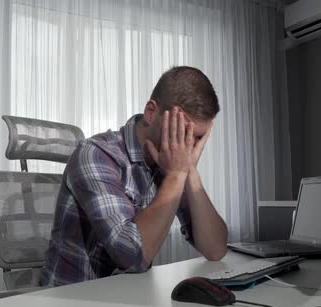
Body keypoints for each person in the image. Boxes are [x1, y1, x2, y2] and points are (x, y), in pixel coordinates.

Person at [41, 66, 228, 286]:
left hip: (127, 300)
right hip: (72, 303)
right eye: (182, 131)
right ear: (151, 113)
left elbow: (215, 249)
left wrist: (190, 172)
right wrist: (177, 175)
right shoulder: (96, 154)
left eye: (197, 138)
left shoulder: (170, 164)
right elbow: (131, 256)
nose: (189, 146)